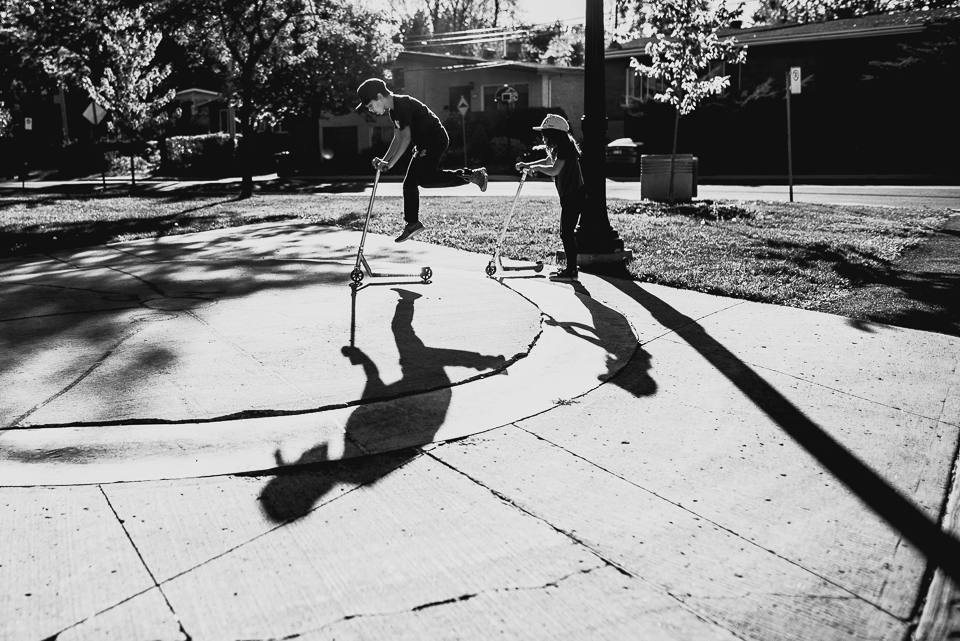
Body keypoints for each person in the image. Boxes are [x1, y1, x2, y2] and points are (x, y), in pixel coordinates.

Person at [356, 78, 488, 243]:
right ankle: (412, 224)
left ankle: (473, 175)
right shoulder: (394, 111)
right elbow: (397, 138)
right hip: (424, 144)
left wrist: (390, 164)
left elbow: (405, 139)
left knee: (424, 180)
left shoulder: (402, 104)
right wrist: (384, 160)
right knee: (410, 184)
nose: (370, 110)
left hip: (435, 140)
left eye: (369, 106)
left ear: (379, 97)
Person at [515, 114, 584, 281]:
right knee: (565, 233)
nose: (543, 137)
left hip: (573, 196)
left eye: (545, 134)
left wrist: (536, 168)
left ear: (554, 134)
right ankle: (570, 269)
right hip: (569, 196)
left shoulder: (566, 150)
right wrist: (528, 165)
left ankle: (571, 271)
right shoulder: (559, 149)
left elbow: (554, 170)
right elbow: (548, 161)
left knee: (566, 233)